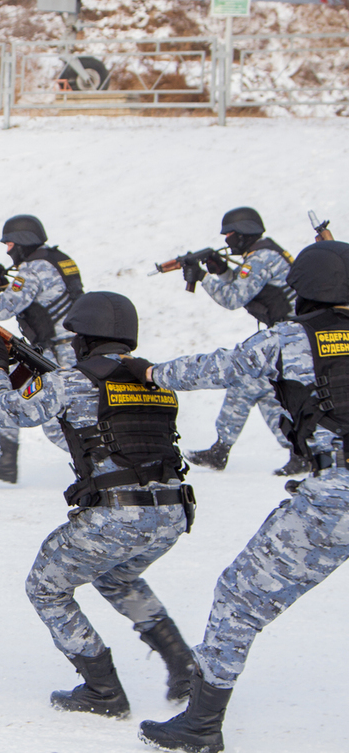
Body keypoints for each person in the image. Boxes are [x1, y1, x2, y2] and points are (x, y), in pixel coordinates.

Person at [137, 240, 349, 753]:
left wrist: (149, 373)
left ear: (301, 290)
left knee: (238, 597)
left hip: (336, 497)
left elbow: (216, 368)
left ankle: (201, 726)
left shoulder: (288, 339)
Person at [0, 292, 196, 718]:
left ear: (85, 338)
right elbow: (87, 434)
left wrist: (0, 369)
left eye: (76, 336)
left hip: (118, 515)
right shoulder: (155, 380)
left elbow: (1, 412)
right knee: (118, 577)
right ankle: (183, 663)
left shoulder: (71, 381)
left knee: (46, 587)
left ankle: (102, 690)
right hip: (172, 512)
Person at [183, 207, 303, 476]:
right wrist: (223, 270)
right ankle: (297, 451)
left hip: (290, 338)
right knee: (266, 391)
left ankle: (221, 451)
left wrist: (203, 277)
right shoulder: (263, 255)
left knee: (249, 382)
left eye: (230, 235)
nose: (226, 240)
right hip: (288, 337)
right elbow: (245, 288)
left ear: (244, 233)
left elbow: (233, 298)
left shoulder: (260, 259)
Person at [0, 215, 84, 483]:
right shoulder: (58, 259)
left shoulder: (31, 269)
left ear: (22, 241)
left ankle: (102, 460)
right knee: (14, 387)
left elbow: (3, 309)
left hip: (59, 351)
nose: (7, 250)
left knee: (57, 424)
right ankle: (7, 460)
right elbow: (38, 298)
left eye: (9, 243)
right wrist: (0, 281)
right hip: (68, 345)